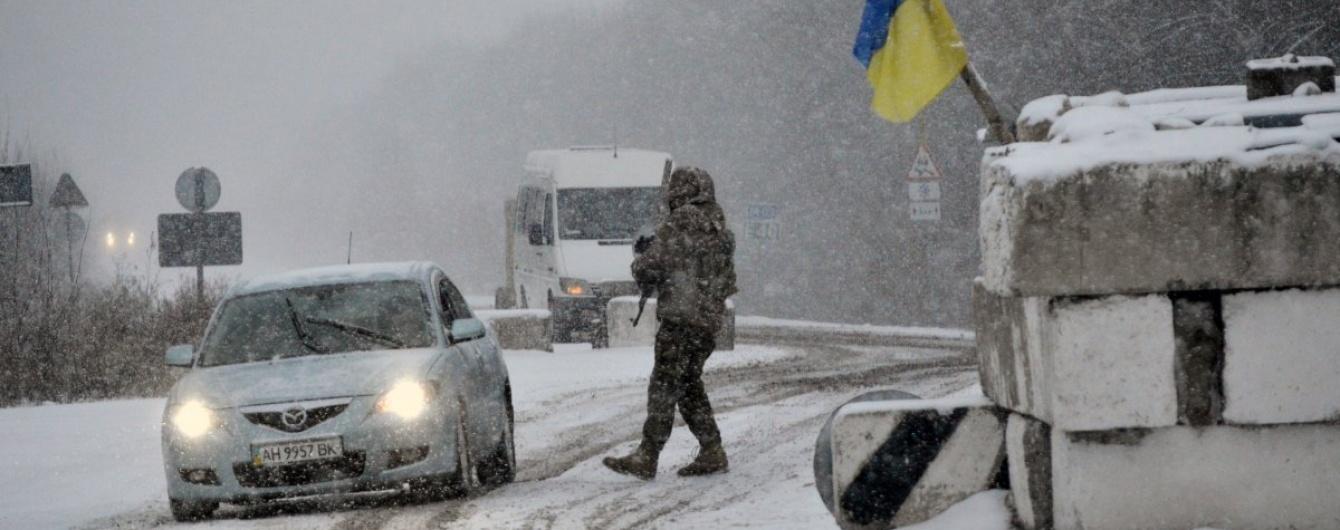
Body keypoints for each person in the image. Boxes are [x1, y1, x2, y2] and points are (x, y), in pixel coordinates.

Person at [603, 166, 737, 480]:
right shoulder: (718, 225)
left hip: (681, 318)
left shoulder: (681, 222)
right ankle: (711, 449)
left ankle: (647, 455)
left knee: (663, 385)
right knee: (688, 384)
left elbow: (652, 266)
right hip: (707, 322)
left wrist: (642, 256)